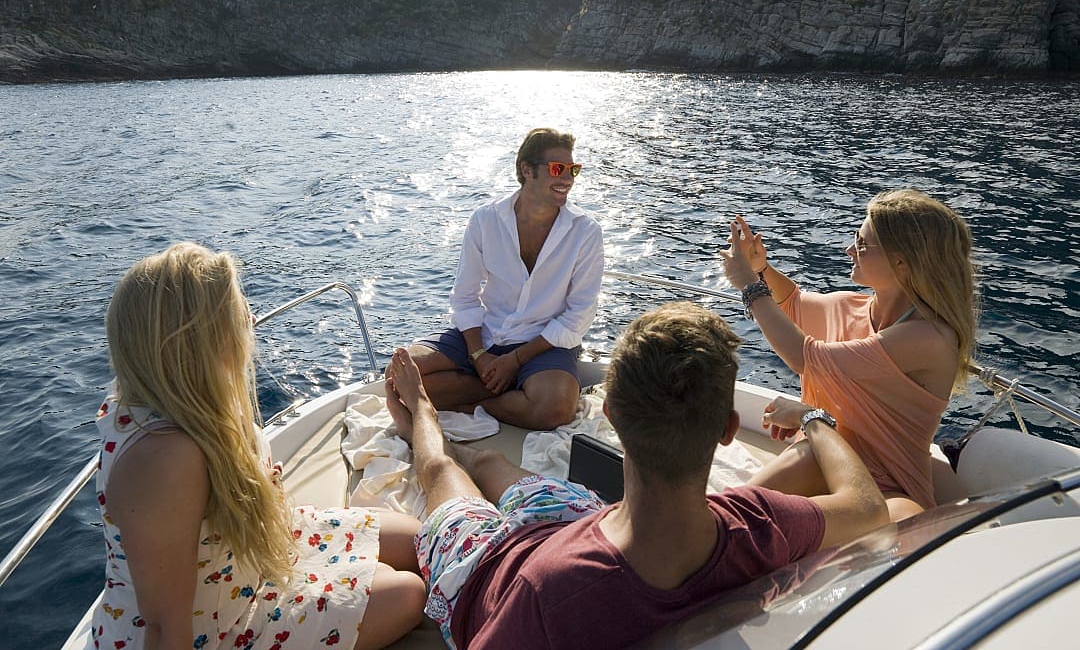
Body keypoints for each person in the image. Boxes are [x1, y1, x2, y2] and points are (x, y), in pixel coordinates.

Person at [385, 302, 889, 649]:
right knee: (493, 465)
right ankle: (464, 451)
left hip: (494, 568)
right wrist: (813, 420)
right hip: (583, 517)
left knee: (441, 469)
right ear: (729, 429)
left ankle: (422, 411)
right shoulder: (755, 527)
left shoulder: (547, 593)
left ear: (611, 415)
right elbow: (867, 507)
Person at [92, 242, 425, 650]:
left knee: (420, 541)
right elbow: (164, 626)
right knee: (407, 593)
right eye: (234, 311)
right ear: (200, 342)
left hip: (249, 558)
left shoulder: (191, 399)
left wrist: (257, 487)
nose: (249, 318)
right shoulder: (162, 459)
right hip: (220, 627)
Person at [721, 189, 978, 522]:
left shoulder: (929, 337)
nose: (849, 249)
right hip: (826, 464)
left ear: (901, 263)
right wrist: (761, 269)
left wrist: (747, 283)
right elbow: (794, 306)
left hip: (888, 490)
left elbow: (804, 357)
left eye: (862, 244)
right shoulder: (854, 308)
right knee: (807, 460)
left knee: (894, 516)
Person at [407, 127, 604, 430]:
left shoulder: (586, 232)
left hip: (543, 344)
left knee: (556, 409)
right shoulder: (485, 220)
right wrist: (479, 356)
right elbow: (464, 297)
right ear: (527, 170)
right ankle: (511, 392)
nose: (567, 179)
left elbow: (578, 316)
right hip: (487, 335)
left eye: (573, 170)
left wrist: (515, 362)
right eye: (557, 169)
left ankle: (475, 401)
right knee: (402, 373)